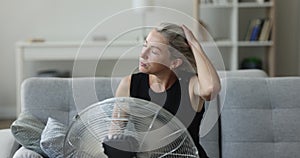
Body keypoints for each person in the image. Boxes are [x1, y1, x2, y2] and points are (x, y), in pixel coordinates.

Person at [113, 23, 221, 158]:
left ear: (174, 63)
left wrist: (194, 44)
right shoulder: (129, 84)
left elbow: (211, 89)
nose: (143, 54)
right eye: (145, 45)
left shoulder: (190, 85)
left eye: (154, 51)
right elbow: (114, 136)